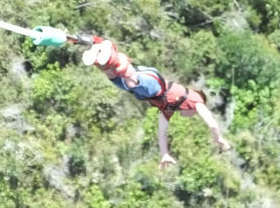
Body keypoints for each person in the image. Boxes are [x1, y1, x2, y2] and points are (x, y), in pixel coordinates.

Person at [82, 39, 230, 168]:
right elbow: (212, 123)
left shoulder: (169, 109)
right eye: (194, 114)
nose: (192, 115)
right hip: (156, 86)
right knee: (131, 81)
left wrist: (165, 154)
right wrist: (218, 138)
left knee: (115, 78)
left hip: (148, 85)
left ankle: (98, 56)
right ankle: (117, 58)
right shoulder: (196, 100)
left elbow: (162, 133)